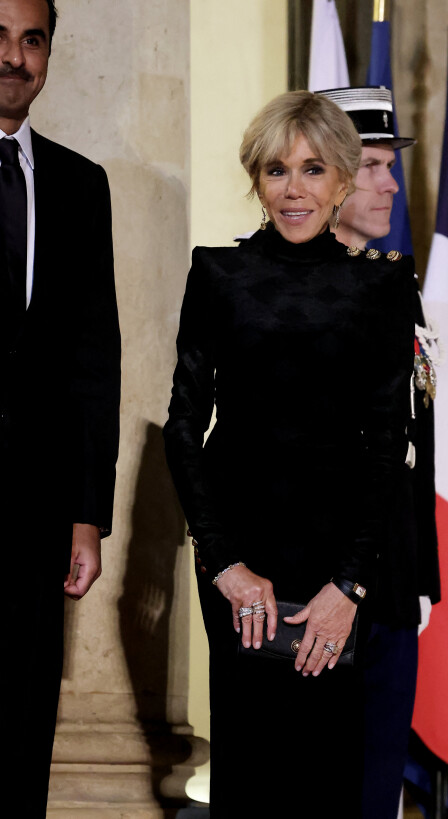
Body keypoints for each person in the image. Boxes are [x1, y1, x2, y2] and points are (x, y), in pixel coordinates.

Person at [164, 90, 423, 819]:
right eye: (277, 171)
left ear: (342, 180)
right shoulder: (217, 274)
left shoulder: (382, 284)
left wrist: (350, 586)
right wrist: (225, 565)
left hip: (339, 571)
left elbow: (387, 444)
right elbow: (183, 428)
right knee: (251, 775)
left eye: (313, 170)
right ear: (257, 180)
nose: (295, 189)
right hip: (241, 565)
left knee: (330, 778)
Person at [0, 0, 121, 814]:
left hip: (36, 513)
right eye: (0, 37)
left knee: (21, 722)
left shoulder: (81, 184)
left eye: (31, 40)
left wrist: (87, 513)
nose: (15, 56)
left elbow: (93, 357)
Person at [318, 86, 442, 817]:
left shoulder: (398, 284)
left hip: (392, 585)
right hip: (320, 584)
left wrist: (420, 574)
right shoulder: (277, 287)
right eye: (371, 165)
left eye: (389, 165)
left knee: (374, 793)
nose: (391, 182)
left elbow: (414, 444)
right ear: (327, 173)